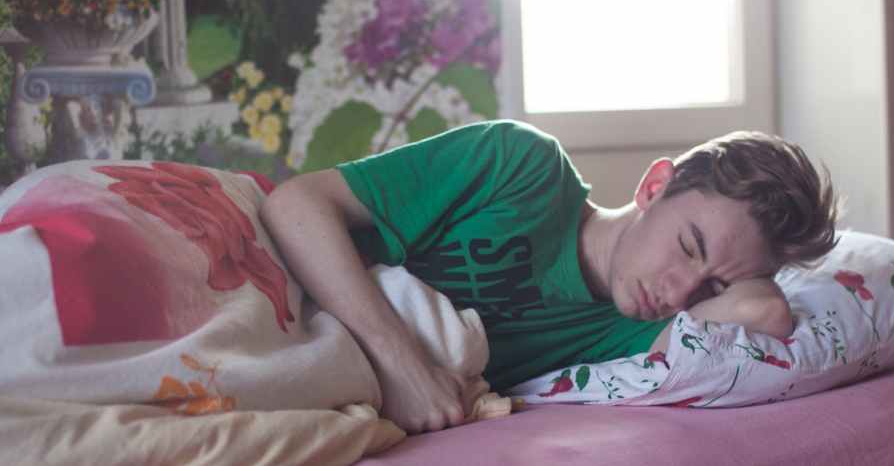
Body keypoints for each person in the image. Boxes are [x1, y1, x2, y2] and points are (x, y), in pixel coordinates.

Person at [260, 120, 839, 434]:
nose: (681, 293)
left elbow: (768, 313)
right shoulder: (521, 166)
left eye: (714, 286)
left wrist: (741, 278)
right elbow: (295, 205)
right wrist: (402, 364)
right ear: (654, 186)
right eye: (689, 247)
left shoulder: (632, 336)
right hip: (275, 278)